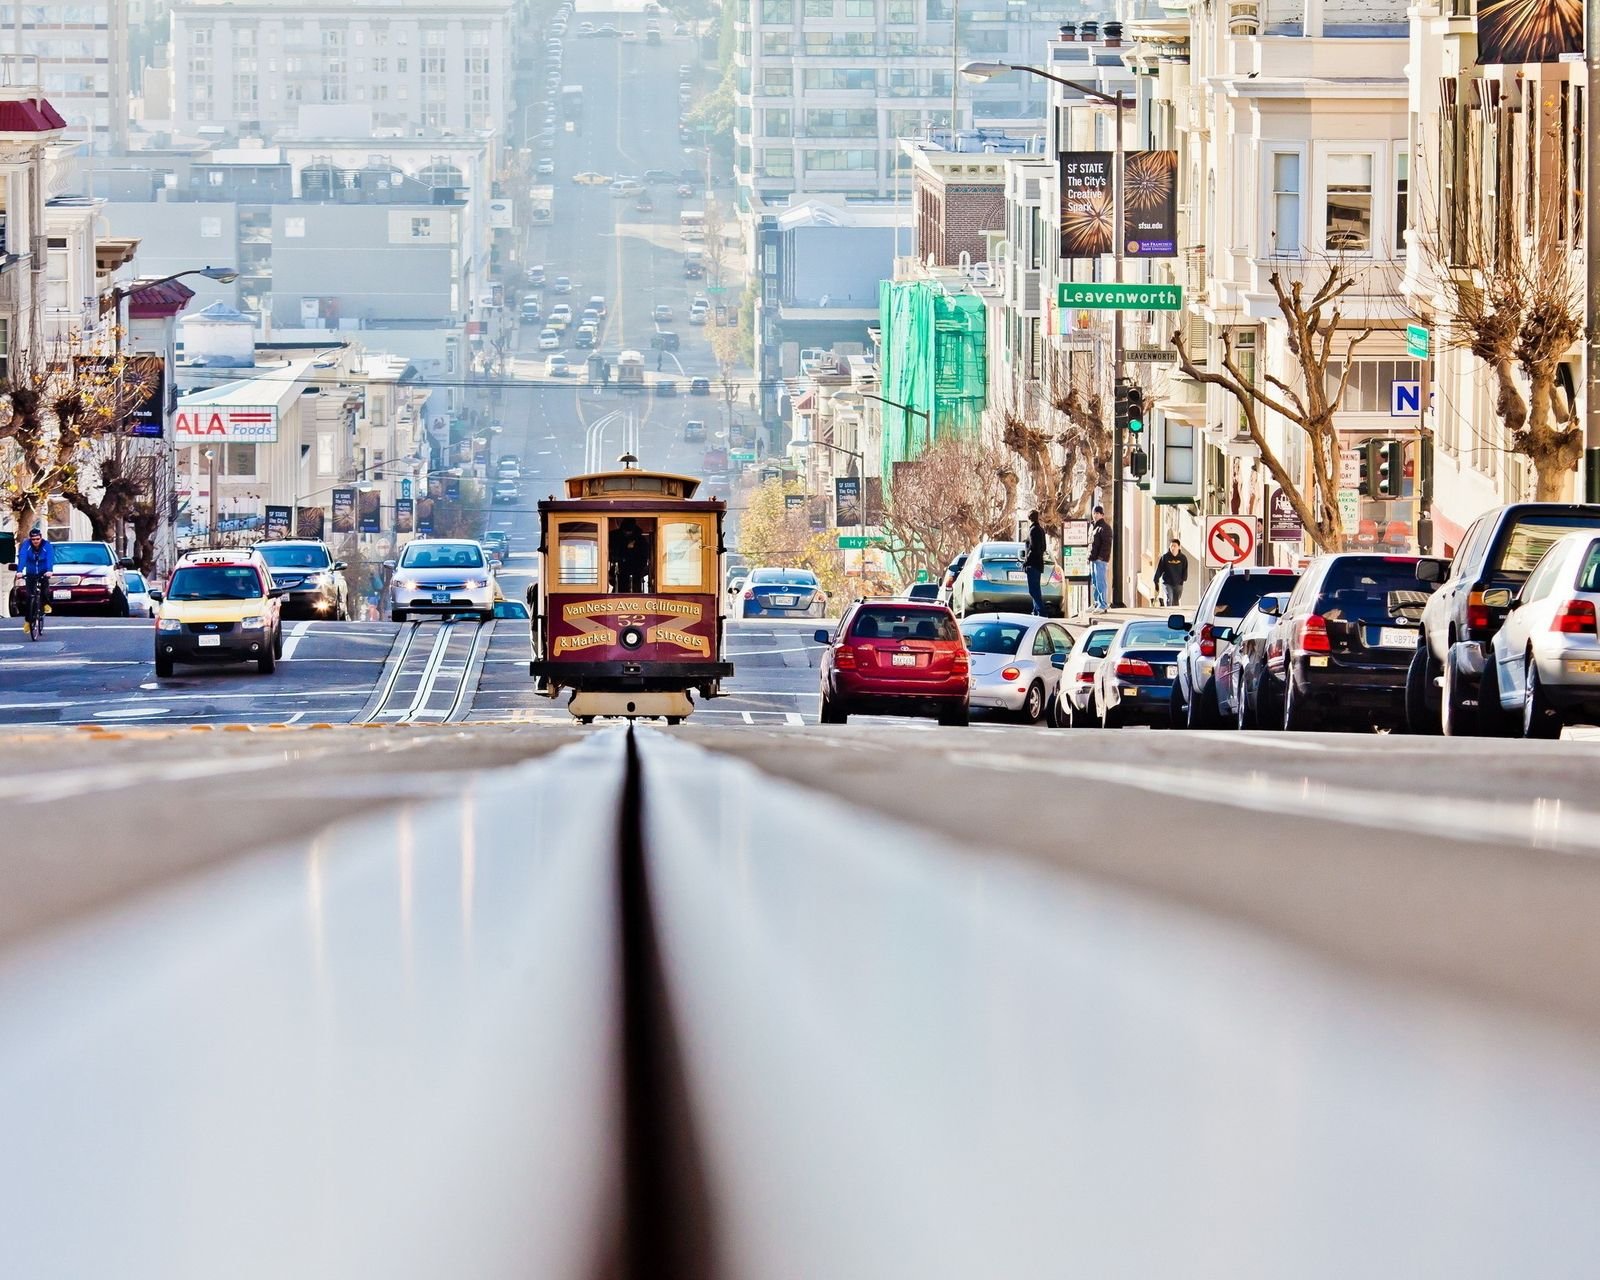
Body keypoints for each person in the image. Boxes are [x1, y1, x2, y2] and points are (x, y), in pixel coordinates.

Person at [15, 527, 53, 624]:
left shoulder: (47, 545)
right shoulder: (26, 545)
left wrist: (49, 570)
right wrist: (19, 571)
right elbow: (22, 556)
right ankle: (28, 622)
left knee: (44, 589)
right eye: (33, 539)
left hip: (43, 571)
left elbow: (50, 557)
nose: (35, 541)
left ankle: (46, 604)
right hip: (31, 572)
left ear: (41, 538)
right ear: (30, 539)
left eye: (37, 539)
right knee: (29, 597)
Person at [1023, 509, 1047, 616]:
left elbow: (1032, 548)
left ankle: (1041, 611)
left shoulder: (1033, 530)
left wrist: (1026, 561)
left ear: (1029, 519)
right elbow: (1043, 547)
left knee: (1033, 590)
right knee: (1036, 588)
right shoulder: (1041, 530)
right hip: (1039, 563)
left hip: (1032, 563)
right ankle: (1036, 610)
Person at [1088, 506, 1111, 612]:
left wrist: (1101, 557)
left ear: (1102, 515)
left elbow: (1106, 545)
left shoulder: (1104, 527)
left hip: (1100, 560)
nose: (1095, 515)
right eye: (1094, 513)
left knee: (1101, 582)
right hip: (1093, 559)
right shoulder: (1093, 527)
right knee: (1095, 582)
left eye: (1097, 513)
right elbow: (1091, 544)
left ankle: (1103, 604)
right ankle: (1097, 603)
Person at [1154, 537, 1188, 607]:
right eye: (1171, 546)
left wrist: (1183, 579)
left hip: (1178, 583)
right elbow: (1160, 569)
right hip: (1167, 583)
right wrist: (1156, 580)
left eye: (1174, 546)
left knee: (1176, 601)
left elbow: (1185, 569)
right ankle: (1168, 613)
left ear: (1178, 547)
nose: (1173, 548)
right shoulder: (1165, 557)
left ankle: (1175, 614)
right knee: (1170, 598)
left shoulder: (1183, 558)